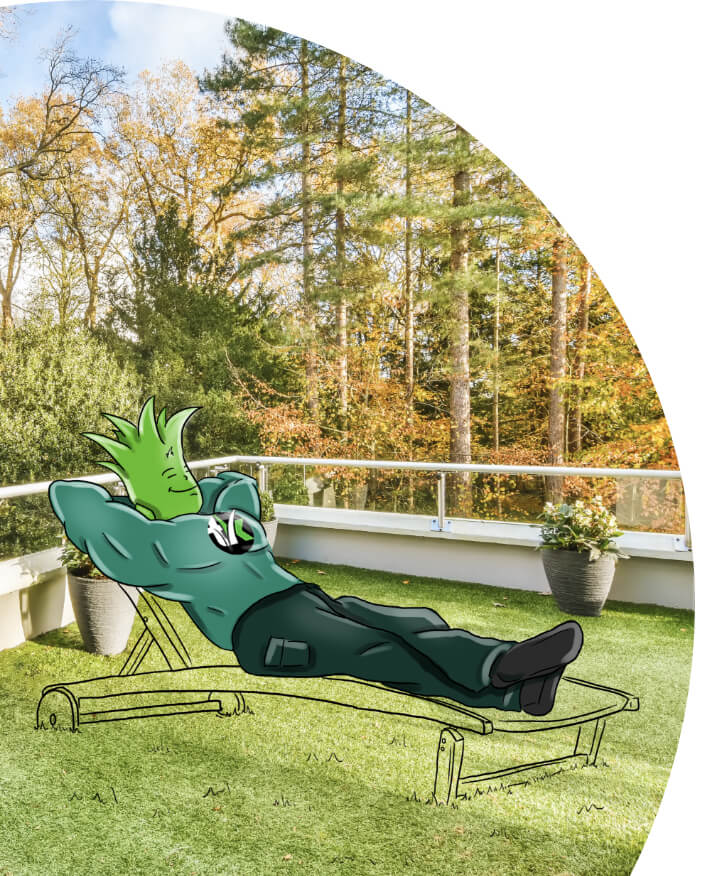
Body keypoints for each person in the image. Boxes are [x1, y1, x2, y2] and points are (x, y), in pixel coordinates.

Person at [49, 471, 583, 716]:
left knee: (414, 621)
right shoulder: (161, 549)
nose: (180, 482)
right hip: (265, 635)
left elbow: (237, 487)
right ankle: (501, 681)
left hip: (304, 600)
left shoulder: (216, 521)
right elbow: (78, 507)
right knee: (382, 650)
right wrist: (137, 498)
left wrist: (189, 494)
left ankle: (517, 677)